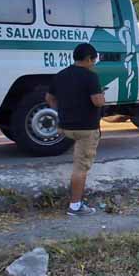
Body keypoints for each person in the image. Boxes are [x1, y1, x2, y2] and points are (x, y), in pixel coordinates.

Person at [46, 43, 106, 217]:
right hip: (86, 129)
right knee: (81, 168)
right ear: (88, 59)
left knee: (77, 166)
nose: (94, 63)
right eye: (93, 60)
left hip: (66, 126)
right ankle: (75, 206)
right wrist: (102, 96)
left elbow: (49, 98)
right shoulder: (91, 77)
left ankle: (75, 199)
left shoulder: (60, 75)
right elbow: (97, 101)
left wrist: (63, 111)